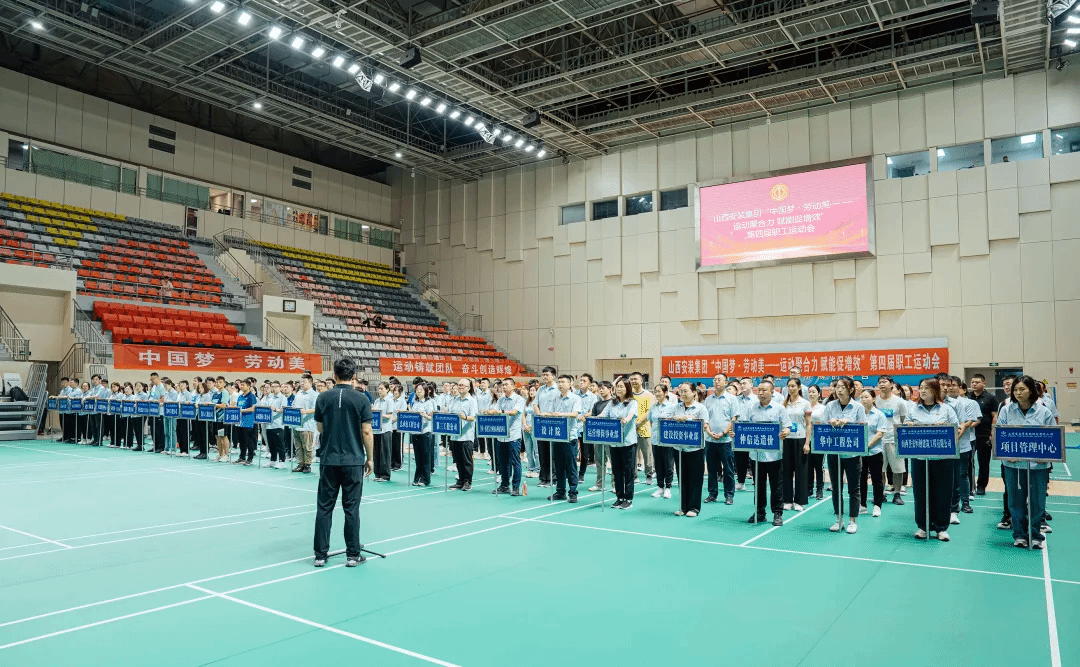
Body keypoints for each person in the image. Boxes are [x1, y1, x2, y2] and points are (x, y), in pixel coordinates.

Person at [313, 357, 374, 568]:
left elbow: (320, 428)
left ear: (334, 375)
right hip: (353, 460)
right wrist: (371, 458)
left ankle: (320, 555)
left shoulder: (322, 397)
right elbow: (366, 431)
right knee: (351, 508)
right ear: (354, 376)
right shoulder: (362, 399)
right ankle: (353, 555)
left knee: (324, 507)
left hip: (329, 459)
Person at [997, 375, 1055, 549]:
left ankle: (1036, 535)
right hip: (1013, 465)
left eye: (1022, 389)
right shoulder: (1006, 410)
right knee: (1015, 502)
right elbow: (1000, 435)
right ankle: (1020, 535)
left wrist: (1045, 456)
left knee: (1037, 502)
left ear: (1032, 390)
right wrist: (1007, 455)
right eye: (1015, 390)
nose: (1018, 393)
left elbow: (1052, 438)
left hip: (1038, 465)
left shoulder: (1044, 411)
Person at [905, 378, 959, 541]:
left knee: (942, 492)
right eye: (920, 388)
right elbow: (905, 430)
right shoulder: (913, 409)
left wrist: (947, 427)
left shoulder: (946, 409)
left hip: (942, 457)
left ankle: (941, 528)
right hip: (920, 457)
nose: (922, 391)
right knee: (921, 492)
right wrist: (909, 427)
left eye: (926, 388)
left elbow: (957, 429)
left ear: (935, 390)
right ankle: (923, 526)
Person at [742, 380, 790, 526]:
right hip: (756, 455)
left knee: (776, 486)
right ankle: (760, 512)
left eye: (764, 390)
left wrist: (785, 432)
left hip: (774, 455)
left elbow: (787, 426)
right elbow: (743, 425)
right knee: (759, 486)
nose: (761, 393)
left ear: (772, 392)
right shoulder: (751, 408)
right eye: (759, 390)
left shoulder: (779, 408)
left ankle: (777, 513)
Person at [823, 377, 866, 534]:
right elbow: (822, 426)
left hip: (852, 453)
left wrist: (850, 422)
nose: (839, 390)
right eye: (837, 387)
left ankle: (852, 520)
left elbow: (863, 429)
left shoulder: (858, 407)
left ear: (851, 390)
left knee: (854, 488)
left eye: (843, 387)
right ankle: (838, 519)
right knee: (836, 487)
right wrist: (831, 421)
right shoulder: (829, 406)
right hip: (834, 452)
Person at [600, 378, 639, 509]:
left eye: (622, 387)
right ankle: (619, 497)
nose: (619, 389)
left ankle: (628, 499)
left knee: (628, 471)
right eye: (617, 387)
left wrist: (626, 420)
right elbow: (603, 415)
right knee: (616, 471)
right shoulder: (612, 403)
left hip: (628, 442)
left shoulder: (633, 403)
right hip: (614, 442)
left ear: (627, 388)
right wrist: (589, 419)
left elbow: (631, 415)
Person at [672, 382, 709, 517]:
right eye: (680, 391)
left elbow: (704, 425)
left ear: (694, 392)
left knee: (695, 478)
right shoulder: (676, 407)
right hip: (679, 448)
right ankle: (683, 506)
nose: (682, 394)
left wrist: (687, 419)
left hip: (695, 449)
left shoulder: (700, 408)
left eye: (685, 391)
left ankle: (694, 508)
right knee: (682, 478)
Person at [946, 377, 981, 521]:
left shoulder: (969, 403)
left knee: (962, 473)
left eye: (954, 385)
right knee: (949, 476)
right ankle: (950, 504)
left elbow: (969, 422)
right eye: (948, 385)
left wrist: (955, 437)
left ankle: (965, 501)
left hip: (964, 444)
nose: (951, 388)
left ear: (961, 387)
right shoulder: (942, 403)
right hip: (947, 447)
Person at [547, 374, 583, 503]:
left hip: (570, 437)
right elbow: (551, 413)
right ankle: (560, 491)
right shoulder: (555, 398)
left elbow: (575, 414)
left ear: (570, 384)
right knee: (559, 466)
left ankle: (573, 492)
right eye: (559, 382)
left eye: (563, 382)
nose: (560, 384)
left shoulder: (575, 398)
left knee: (571, 466)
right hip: (557, 436)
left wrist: (560, 414)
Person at [704, 373, 737, 505]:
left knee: (728, 469)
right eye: (714, 379)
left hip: (726, 440)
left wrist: (724, 432)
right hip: (710, 439)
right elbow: (705, 418)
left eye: (719, 380)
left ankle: (729, 495)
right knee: (711, 469)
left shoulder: (731, 399)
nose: (716, 382)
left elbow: (734, 418)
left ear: (726, 382)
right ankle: (712, 494)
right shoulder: (708, 399)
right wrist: (709, 432)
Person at [780, 378, 811, 512]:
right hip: (786, 440)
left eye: (793, 386)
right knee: (786, 471)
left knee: (801, 471)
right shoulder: (783, 404)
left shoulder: (805, 403)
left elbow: (809, 424)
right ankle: (787, 500)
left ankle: (800, 501)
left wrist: (807, 443)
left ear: (799, 388)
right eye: (789, 386)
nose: (791, 388)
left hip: (800, 439)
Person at [876, 375, 908, 504]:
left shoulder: (899, 401)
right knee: (880, 469)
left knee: (898, 469)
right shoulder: (875, 400)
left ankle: (897, 494)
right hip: (878, 440)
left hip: (894, 439)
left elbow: (903, 419)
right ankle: (881, 493)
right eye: (880, 382)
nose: (882, 384)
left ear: (891, 384)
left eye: (885, 382)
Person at [492, 378, 526, 496]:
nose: (504, 387)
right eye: (503, 385)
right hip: (501, 435)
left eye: (506, 384)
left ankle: (515, 487)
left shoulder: (519, 399)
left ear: (513, 386)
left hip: (513, 435)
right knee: (503, 462)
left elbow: (514, 412)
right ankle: (504, 485)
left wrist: (499, 411)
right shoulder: (501, 399)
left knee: (515, 462)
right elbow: (495, 411)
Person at [858, 389, 889, 518]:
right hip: (860, 452)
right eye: (862, 397)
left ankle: (877, 505)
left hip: (875, 452)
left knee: (877, 479)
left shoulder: (879, 415)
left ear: (873, 399)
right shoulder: (858, 414)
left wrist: (867, 445)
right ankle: (862, 505)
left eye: (866, 397)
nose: (864, 399)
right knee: (861, 479)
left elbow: (879, 434)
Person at [967, 373, 998, 496]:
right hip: (969, 434)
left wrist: (992, 433)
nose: (974, 384)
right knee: (969, 461)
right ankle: (970, 485)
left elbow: (994, 416)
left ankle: (981, 486)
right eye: (972, 382)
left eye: (977, 382)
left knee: (983, 462)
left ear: (984, 383)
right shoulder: (968, 397)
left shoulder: (990, 398)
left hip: (984, 435)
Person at [647, 383, 677, 499]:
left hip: (668, 441)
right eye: (656, 391)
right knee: (658, 465)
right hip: (655, 440)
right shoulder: (653, 407)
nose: (657, 393)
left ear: (665, 393)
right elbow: (650, 421)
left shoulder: (672, 407)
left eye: (659, 391)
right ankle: (660, 487)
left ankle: (668, 488)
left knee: (668, 465)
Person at [448, 378, 477, 491]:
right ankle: (460, 480)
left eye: (463, 386)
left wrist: (464, 417)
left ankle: (467, 481)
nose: (460, 387)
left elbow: (473, 417)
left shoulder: (471, 401)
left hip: (466, 435)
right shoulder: (454, 400)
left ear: (469, 388)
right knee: (458, 459)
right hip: (455, 435)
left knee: (466, 460)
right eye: (459, 385)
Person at [629, 372, 656, 485]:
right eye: (632, 379)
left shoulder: (648, 395)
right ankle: (634, 475)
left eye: (636, 379)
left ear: (641, 380)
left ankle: (649, 474)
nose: (634, 381)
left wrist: (639, 422)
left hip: (644, 428)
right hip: (630, 429)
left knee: (647, 454)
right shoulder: (629, 395)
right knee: (632, 454)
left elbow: (650, 411)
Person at [534, 367, 559, 487]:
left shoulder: (558, 389)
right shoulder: (540, 390)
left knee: (553, 453)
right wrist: (539, 414)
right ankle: (543, 477)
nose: (544, 377)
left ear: (553, 376)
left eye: (547, 375)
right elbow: (535, 404)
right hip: (541, 423)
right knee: (542, 451)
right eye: (543, 375)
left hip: (554, 423)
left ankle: (553, 478)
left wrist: (549, 414)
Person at [587, 381, 614, 492]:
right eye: (599, 388)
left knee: (613, 462)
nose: (601, 390)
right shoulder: (597, 404)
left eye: (603, 388)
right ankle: (600, 484)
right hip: (598, 436)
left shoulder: (614, 402)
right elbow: (594, 418)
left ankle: (615, 484)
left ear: (610, 389)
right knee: (599, 460)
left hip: (611, 436)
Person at [410, 382, 436, 486]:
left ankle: (426, 479)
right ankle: (417, 477)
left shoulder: (428, 403)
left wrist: (424, 415)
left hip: (425, 432)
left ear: (426, 391)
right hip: (415, 432)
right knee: (417, 456)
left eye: (421, 390)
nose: (418, 391)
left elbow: (431, 418)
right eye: (417, 390)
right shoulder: (415, 403)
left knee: (425, 456)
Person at [293, 375, 319, 473]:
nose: (302, 384)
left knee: (307, 446)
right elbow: (294, 406)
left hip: (307, 425)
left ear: (310, 383)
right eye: (301, 382)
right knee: (298, 446)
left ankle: (308, 465)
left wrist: (305, 412)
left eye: (304, 382)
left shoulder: (314, 395)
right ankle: (300, 464)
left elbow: (316, 409)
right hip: (296, 424)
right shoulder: (298, 393)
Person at [371, 382, 396, 481]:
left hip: (385, 430)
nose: (379, 390)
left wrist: (379, 414)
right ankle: (377, 473)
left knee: (384, 453)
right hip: (376, 430)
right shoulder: (376, 401)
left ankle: (385, 475)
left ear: (387, 390)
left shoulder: (389, 401)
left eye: (382, 389)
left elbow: (390, 416)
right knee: (376, 453)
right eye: (379, 388)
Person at [806, 385, 826, 500]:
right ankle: (809, 489)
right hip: (806, 440)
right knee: (808, 466)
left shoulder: (822, 408)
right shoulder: (805, 406)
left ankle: (819, 490)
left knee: (818, 466)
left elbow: (824, 422)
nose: (811, 394)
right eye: (809, 392)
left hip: (818, 440)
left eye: (814, 392)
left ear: (819, 394)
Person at [233, 379, 258, 465]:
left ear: (249, 386)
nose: (241, 386)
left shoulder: (251, 396)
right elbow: (238, 406)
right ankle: (242, 457)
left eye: (243, 385)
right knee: (241, 441)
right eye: (241, 385)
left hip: (249, 422)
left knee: (249, 441)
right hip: (240, 422)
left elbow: (253, 408)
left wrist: (242, 410)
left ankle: (250, 458)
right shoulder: (240, 396)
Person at [522, 383, 540, 479]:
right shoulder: (526, 402)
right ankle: (531, 468)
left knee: (537, 450)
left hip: (535, 428)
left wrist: (531, 426)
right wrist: (525, 425)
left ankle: (538, 469)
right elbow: (523, 414)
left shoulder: (538, 403)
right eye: (530, 390)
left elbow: (538, 416)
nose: (531, 392)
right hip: (525, 428)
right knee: (528, 450)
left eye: (533, 390)